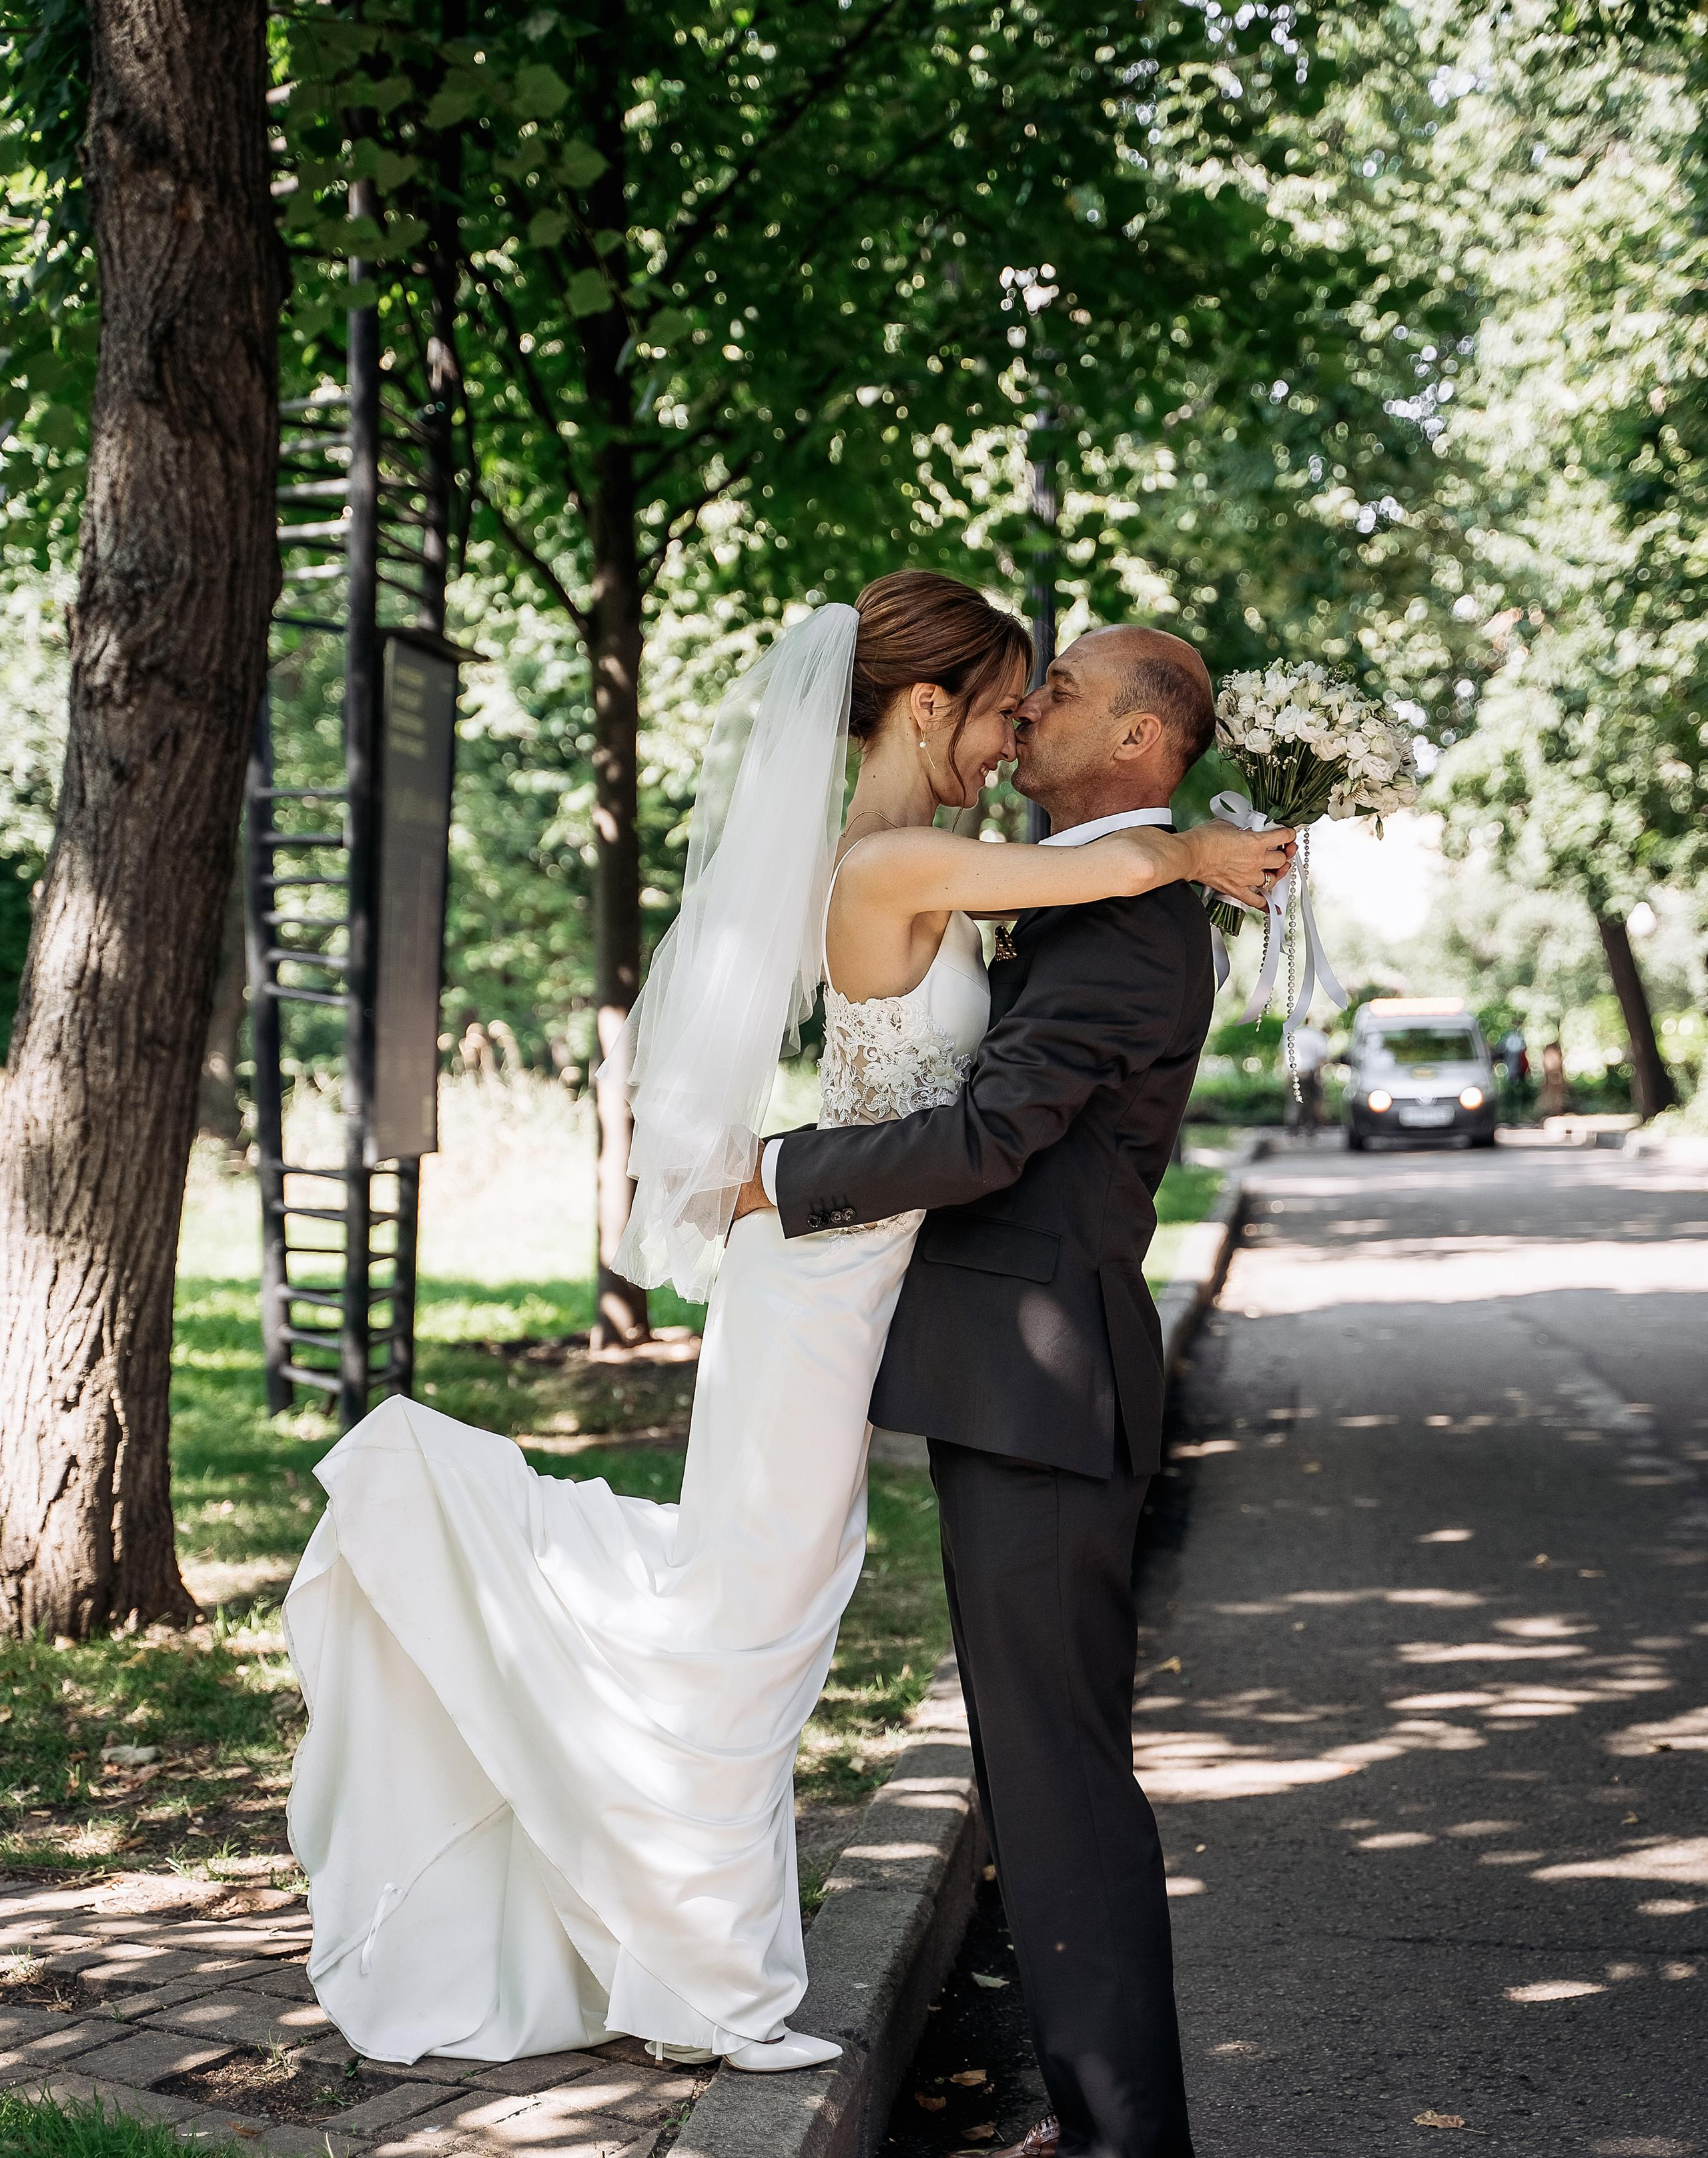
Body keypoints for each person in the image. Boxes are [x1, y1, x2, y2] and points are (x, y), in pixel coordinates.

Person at [282, 574, 1292, 2082]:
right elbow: (1095, 883)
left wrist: (1177, 846)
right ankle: (702, 1967)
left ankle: (694, 1953)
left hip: (860, 1266)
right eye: (1014, 694)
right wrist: (1197, 847)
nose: (1024, 720)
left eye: (1051, 695)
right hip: (820, 1269)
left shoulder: (947, 862)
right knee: (746, 1612)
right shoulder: (894, 862)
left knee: (771, 1609)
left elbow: (1069, 915)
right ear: (931, 706)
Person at [734, 618, 1261, 2158]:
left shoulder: (1131, 918)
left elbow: (984, 1138)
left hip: (1045, 1401)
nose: (1027, 711)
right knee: (1041, 1772)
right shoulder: (1102, 886)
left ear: (1136, 744)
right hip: (1028, 1385)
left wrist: (779, 1172)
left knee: (1058, 1781)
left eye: (1064, 693)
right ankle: (1085, 2105)